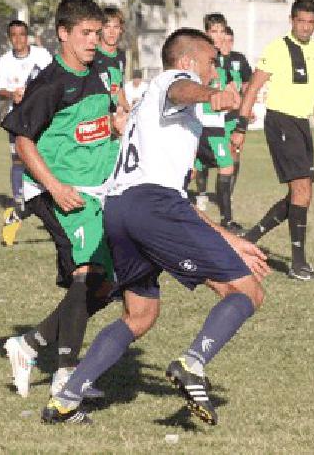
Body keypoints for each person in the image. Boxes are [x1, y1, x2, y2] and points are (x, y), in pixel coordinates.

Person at [42, 28, 272, 426]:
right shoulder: (172, 82)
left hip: (122, 209)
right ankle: (192, 364)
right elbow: (182, 90)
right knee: (246, 290)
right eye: (210, 62)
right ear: (187, 62)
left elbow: (176, 195)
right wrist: (209, 94)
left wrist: (227, 237)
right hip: (151, 205)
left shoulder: (157, 115)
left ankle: (66, 397)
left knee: (141, 313)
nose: (214, 70)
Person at [0, 0, 122, 400]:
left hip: (96, 190)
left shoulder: (102, 71)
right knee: (85, 274)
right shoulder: (50, 82)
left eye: (97, 32)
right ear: (63, 34)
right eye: (85, 33)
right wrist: (53, 186)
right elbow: (23, 140)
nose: (94, 40)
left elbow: (102, 125)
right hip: (59, 191)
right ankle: (66, 375)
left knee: (105, 286)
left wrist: (119, 125)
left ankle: (30, 345)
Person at [236, 0, 314, 282]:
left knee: (301, 194)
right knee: (302, 190)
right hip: (280, 121)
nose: (305, 27)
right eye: (300, 21)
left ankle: (252, 237)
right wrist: (240, 127)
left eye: (310, 22)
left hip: (302, 125)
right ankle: (298, 264)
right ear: (291, 20)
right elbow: (253, 88)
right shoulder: (277, 49)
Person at [0, 19, 54, 246]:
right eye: (14, 36)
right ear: (9, 38)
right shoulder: (5, 61)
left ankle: (22, 211)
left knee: (48, 164)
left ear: (27, 36)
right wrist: (12, 94)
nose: (18, 40)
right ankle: (19, 204)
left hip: (44, 118)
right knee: (19, 162)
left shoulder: (42, 56)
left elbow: (54, 78)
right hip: (18, 119)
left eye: (22, 35)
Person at [189, 13, 243, 233]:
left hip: (215, 125)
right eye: (214, 31)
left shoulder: (224, 63)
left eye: (222, 31)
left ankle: (226, 218)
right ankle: (226, 219)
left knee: (199, 169)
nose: (219, 35)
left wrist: (231, 97)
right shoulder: (203, 59)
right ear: (206, 33)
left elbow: (234, 96)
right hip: (203, 124)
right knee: (220, 165)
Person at [222, 25, 253, 208]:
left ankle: (228, 193)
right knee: (205, 159)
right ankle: (201, 193)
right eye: (223, 39)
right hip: (215, 115)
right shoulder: (213, 59)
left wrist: (248, 108)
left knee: (234, 151)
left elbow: (247, 86)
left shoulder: (239, 59)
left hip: (234, 115)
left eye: (230, 40)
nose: (227, 43)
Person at [94, 6, 131, 114]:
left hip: (113, 118)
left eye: (116, 27)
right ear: (100, 29)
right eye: (107, 27)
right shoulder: (91, 54)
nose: (112, 32)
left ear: (121, 30)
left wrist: (129, 112)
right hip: (95, 118)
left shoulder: (121, 56)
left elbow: (119, 90)